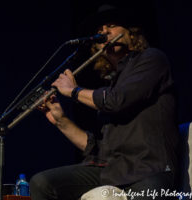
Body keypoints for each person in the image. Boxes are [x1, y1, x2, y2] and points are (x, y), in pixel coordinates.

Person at [30, 5, 179, 200]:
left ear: (131, 33)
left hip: (149, 169)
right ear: (97, 47)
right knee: (42, 183)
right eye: (99, 31)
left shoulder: (152, 59)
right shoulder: (113, 81)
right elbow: (98, 148)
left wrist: (74, 91)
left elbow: (117, 100)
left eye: (111, 26)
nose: (104, 32)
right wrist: (61, 120)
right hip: (113, 170)